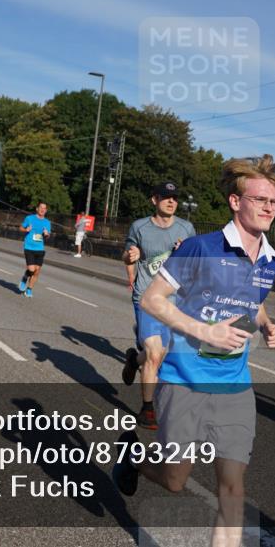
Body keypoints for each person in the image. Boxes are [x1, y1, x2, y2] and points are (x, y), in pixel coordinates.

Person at [113, 155, 275, 547]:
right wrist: (203, 330)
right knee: (175, 480)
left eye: (273, 202)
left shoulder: (271, 259)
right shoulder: (200, 247)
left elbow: (251, 301)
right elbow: (153, 301)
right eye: (260, 199)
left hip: (235, 385)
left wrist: (267, 324)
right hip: (185, 381)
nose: (268, 208)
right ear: (235, 202)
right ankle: (136, 460)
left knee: (232, 488)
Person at [120, 181, 196, 430]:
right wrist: (130, 258)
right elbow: (127, 253)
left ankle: (134, 360)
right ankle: (147, 409)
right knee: (155, 353)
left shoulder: (187, 228)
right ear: (154, 200)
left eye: (174, 197)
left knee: (160, 353)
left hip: (174, 302)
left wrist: (185, 253)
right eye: (165, 197)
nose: (171, 201)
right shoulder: (139, 227)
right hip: (146, 297)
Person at [18, 202, 51, 298]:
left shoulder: (47, 222)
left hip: (40, 248)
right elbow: (20, 228)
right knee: (31, 269)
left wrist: (46, 234)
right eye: (41, 207)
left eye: (44, 208)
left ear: (46, 211)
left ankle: (29, 289)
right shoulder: (29, 218)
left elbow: (47, 236)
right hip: (29, 247)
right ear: (37, 209)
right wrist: (26, 230)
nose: (42, 209)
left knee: (37, 271)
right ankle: (25, 277)